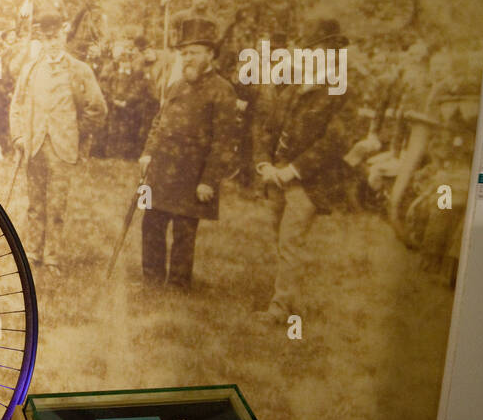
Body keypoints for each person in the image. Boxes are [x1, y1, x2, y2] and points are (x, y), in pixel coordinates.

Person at [253, 19, 357, 323]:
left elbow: (335, 141)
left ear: (334, 53)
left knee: (289, 241)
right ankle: (289, 298)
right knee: (280, 240)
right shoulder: (294, 88)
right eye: (309, 51)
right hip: (276, 177)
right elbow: (267, 129)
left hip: (310, 183)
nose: (313, 56)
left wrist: (294, 171)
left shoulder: (341, 90)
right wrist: (264, 164)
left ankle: (280, 309)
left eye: (321, 51)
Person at [138, 17, 237, 289]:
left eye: (193, 53)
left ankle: (178, 285)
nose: (187, 59)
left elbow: (224, 142)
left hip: (193, 176)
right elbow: (159, 122)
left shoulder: (223, 90)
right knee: (152, 224)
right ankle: (152, 280)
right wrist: (147, 153)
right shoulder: (176, 86)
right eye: (184, 54)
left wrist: (209, 180)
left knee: (184, 232)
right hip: (161, 170)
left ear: (210, 54)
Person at [8, 10, 107, 273]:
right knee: (35, 204)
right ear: (41, 38)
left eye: (56, 37)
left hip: (63, 147)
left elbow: (98, 108)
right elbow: (16, 106)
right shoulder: (30, 70)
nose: (52, 43)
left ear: (64, 34)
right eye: (47, 38)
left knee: (57, 205)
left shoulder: (79, 70)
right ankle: (32, 253)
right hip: (35, 145)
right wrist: (18, 135)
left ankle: (52, 258)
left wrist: (77, 131)